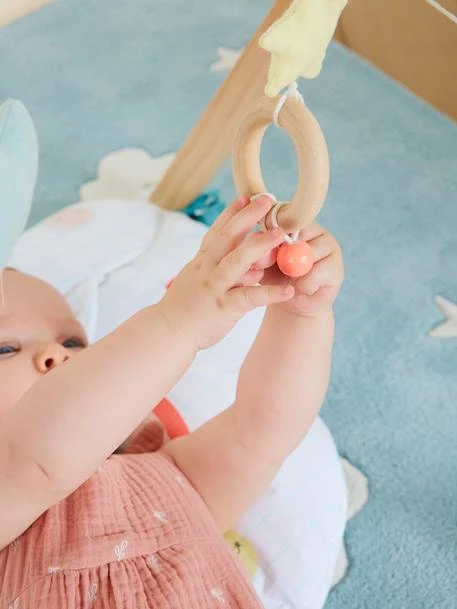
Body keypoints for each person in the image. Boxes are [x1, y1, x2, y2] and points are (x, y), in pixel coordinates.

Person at [0, 194, 344, 608]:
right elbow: (39, 459)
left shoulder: (167, 473)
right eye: (5, 348)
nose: (56, 354)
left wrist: (300, 314)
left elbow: (263, 430)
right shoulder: (12, 493)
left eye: (73, 341)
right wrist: (178, 322)